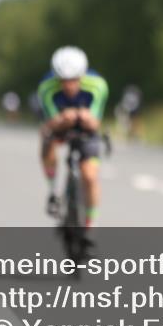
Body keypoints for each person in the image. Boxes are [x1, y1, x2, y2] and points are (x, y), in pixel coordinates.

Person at [37, 46, 109, 228]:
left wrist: (85, 117)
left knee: (90, 176)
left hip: (86, 129)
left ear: (82, 76)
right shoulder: (46, 88)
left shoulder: (98, 86)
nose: (69, 85)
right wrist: (62, 120)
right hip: (61, 126)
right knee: (46, 140)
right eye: (63, 80)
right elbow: (50, 123)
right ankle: (53, 190)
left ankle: (89, 225)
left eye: (74, 80)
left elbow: (95, 124)